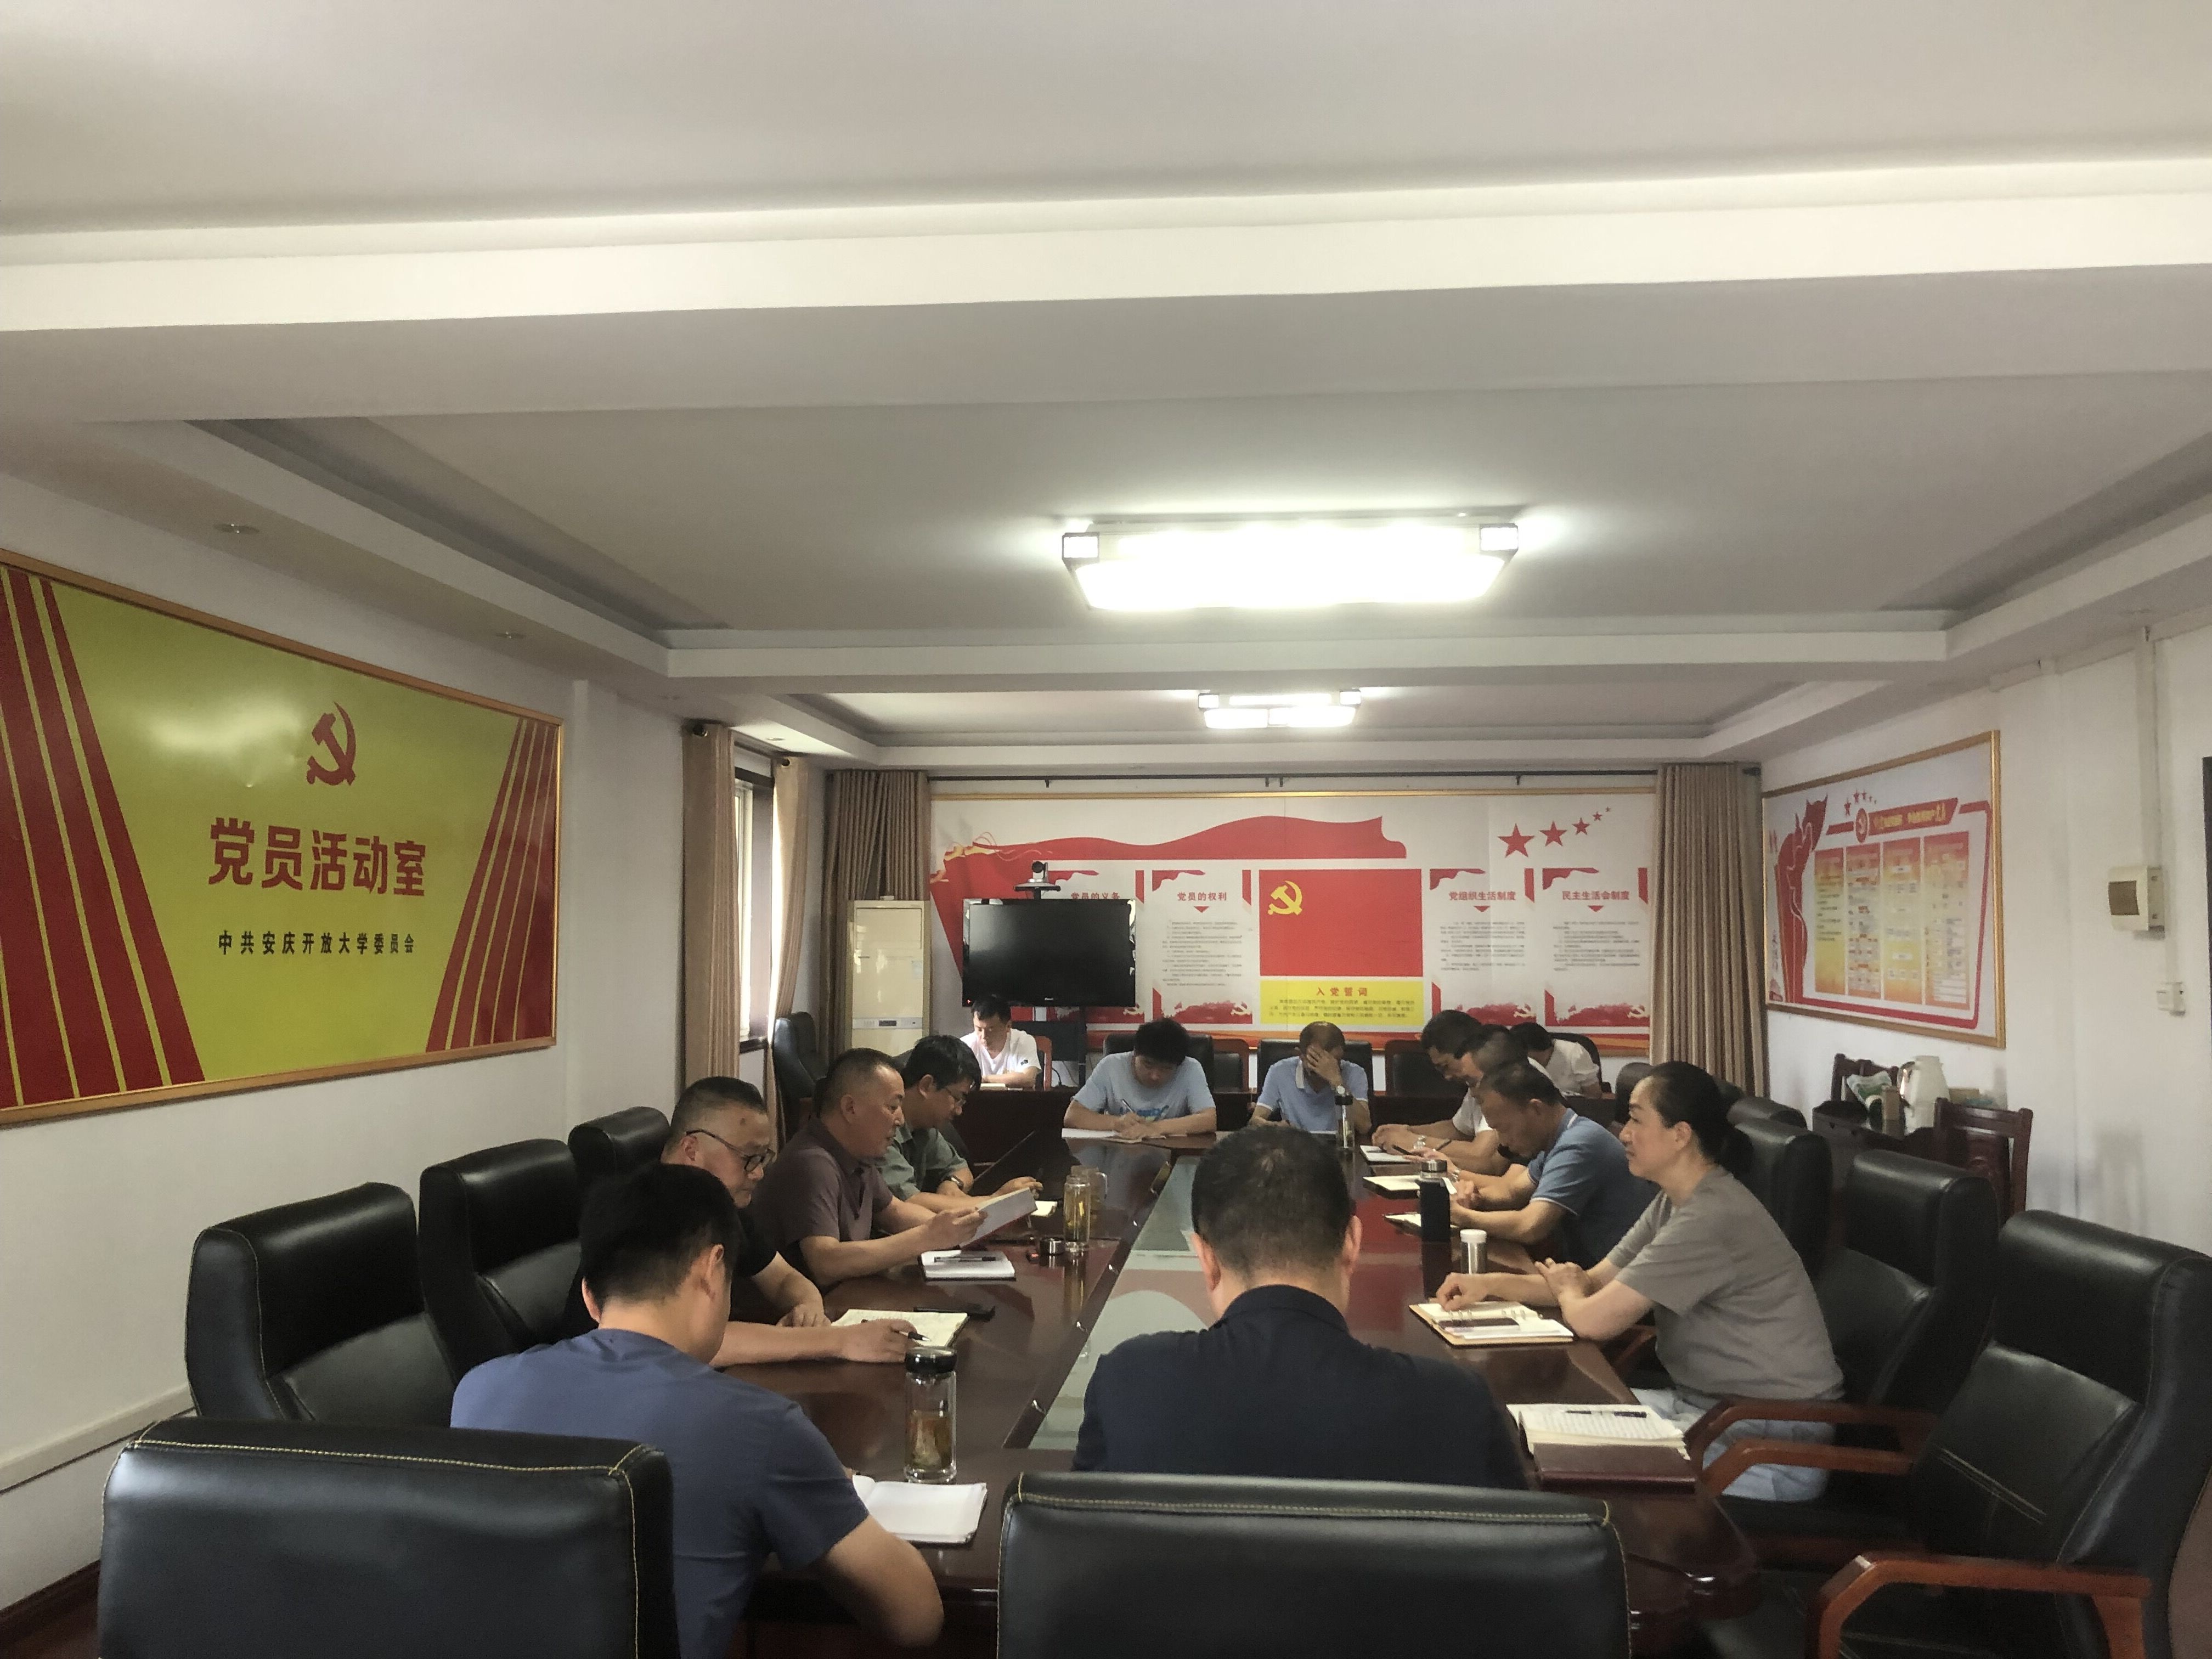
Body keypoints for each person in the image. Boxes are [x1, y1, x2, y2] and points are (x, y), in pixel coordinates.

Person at [452, 1165, 943, 1658]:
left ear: (590, 1297)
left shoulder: (479, 1389)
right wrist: (826, 1484)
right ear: (711, 1271)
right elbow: (916, 1618)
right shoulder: (761, 1428)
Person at [1438, 1062, 1844, 1500]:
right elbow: (1594, 1283)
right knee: (1520, 1425)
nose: (1624, 1135)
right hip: (1706, 1410)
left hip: (1766, 1442)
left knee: (1549, 1465)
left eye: (1635, 1120)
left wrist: (1570, 1290)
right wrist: (1488, 1285)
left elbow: (1592, 1319)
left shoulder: (1711, 1218)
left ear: (1680, 1134)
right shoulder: (1675, 1201)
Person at [1072, 1125, 1525, 1485]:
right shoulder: (1453, 1405)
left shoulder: (1130, 1383)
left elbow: (1079, 1547)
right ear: (1352, 1244)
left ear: (1205, 1258)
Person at [557, 1077, 913, 1364]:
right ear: (692, 1149)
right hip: (604, 1386)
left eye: (763, 1157)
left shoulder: (717, 1206)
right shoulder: (648, 1212)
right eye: (748, 1158)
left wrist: (807, 1308)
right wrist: (834, 1341)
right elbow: (687, 1341)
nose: (758, 1173)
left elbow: (784, 1278)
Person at [750, 1048, 984, 1286]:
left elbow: (895, 1213)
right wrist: (927, 1237)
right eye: (892, 1107)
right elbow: (826, 1263)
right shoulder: (812, 1163)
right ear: (850, 1108)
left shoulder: (858, 1153)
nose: (901, 1120)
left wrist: (967, 1230)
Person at [1445, 1060, 1654, 1266]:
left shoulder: (1579, 1143)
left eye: (1504, 1129)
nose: (1503, 1142)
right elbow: (1512, 1193)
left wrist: (1464, 1217)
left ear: (1536, 1109)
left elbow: (1530, 1227)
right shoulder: (1559, 1138)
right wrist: (1476, 1199)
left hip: (1618, 1278)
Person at [882, 1035, 1042, 1212]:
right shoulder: (883, 1130)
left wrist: (952, 1184)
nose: (959, 1111)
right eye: (957, 1098)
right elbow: (908, 1201)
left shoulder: (925, 1128)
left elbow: (960, 1168)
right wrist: (996, 1200)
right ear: (927, 1086)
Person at [1370, 1015, 1514, 1174]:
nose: (1446, 1077)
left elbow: (1483, 1157)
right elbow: (1459, 1129)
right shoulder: (1477, 1079)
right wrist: (1407, 1130)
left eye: (1446, 1066)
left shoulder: (1508, 1078)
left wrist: (1415, 1142)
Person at [1064, 1018, 1215, 1139]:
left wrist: (1154, 1128)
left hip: (1171, 1155)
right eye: (1148, 1065)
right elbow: (1073, 1116)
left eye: (1166, 1069)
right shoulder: (1111, 1066)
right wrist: (1116, 1123)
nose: (1155, 1076)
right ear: (1135, 1054)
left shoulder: (1191, 1069)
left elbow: (1209, 1119)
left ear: (1179, 1065)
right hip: (1119, 1154)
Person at [1253, 1020, 1370, 1136]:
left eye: (1335, 1063)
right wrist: (1276, 1127)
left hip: (1338, 1143)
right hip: (1296, 1143)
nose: (1323, 1072)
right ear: (1301, 1055)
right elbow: (1255, 1122)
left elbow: (1365, 1127)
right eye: (1316, 1061)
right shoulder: (1280, 1071)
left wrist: (1338, 1082)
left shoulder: (1355, 1073)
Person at [961, 995, 1042, 1088]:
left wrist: (985, 1079)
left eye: (991, 1030)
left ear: (1008, 1026)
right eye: (979, 1029)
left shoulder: (1023, 1041)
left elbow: (1028, 1078)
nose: (984, 1036)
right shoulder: (966, 1045)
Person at [1511, 1020, 1603, 1099]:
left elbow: (1594, 1095)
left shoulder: (1574, 1052)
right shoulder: (1512, 1057)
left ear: (1548, 1049)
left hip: (1572, 1108)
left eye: (1534, 1058)